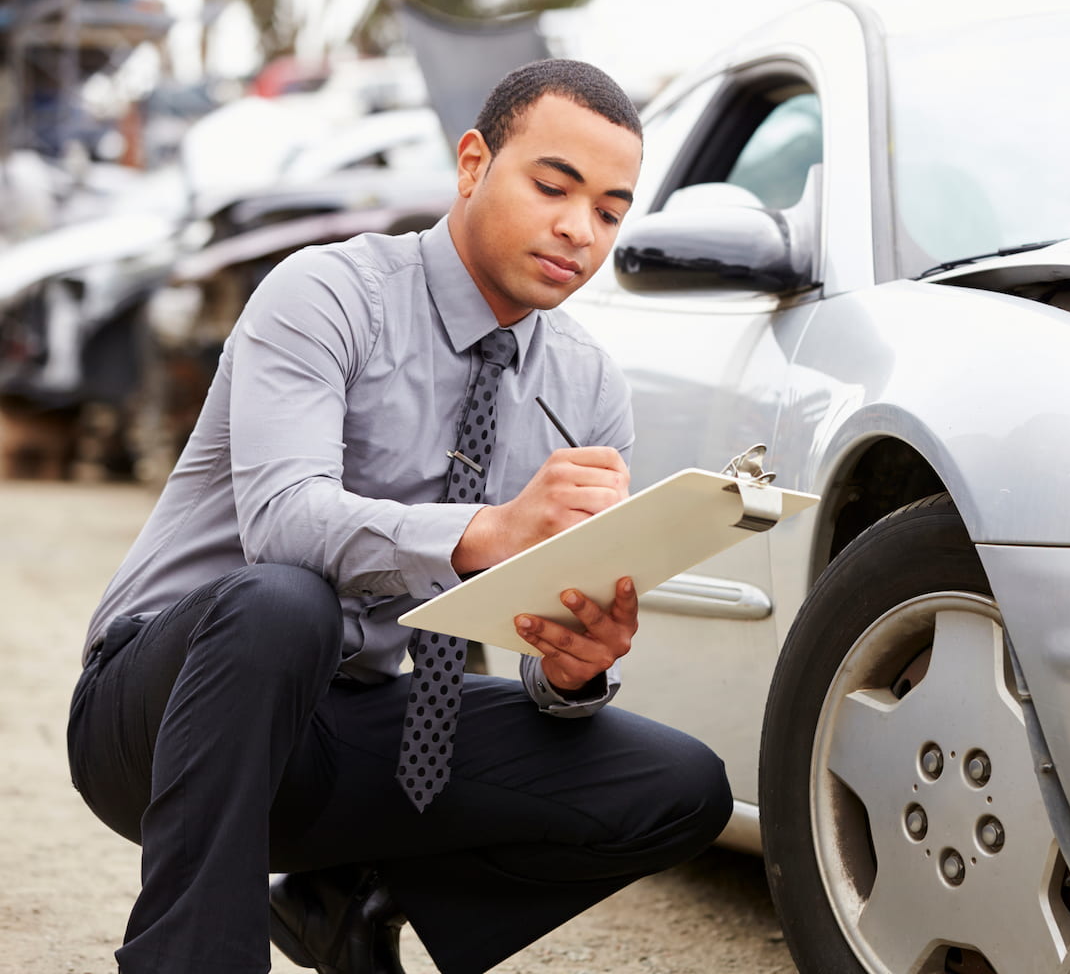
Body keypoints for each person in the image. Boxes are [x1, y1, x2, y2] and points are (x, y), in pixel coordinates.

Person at [66, 59, 734, 974]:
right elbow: (282, 524)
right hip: (158, 715)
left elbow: (538, 619)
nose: (579, 229)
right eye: (553, 187)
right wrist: (486, 533)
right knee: (282, 604)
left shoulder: (586, 388)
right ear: (472, 165)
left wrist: (572, 669)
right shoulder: (325, 295)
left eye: (611, 212)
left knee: (679, 785)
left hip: (357, 728)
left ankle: (344, 904)